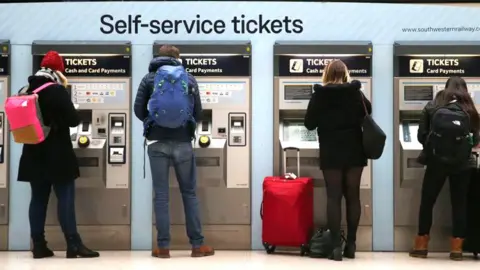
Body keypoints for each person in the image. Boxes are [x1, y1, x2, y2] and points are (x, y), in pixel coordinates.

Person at [134, 45, 214, 258]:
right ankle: (197, 246)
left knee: (161, 196)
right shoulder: (188, 78)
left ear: (158, 58)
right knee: (189, 193)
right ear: (178, 58)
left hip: (156, 143)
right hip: (183, 143)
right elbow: (198, 112)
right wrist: (182, 126)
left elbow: (138, 109)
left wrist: (154, 123)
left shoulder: (148, 79)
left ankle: (163, 247)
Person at [17, 51, 99, 259]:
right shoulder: (56, 90)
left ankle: (38, 245)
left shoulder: (26, 89)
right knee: (65, 198)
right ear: (57, 70)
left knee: (37, 200)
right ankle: (73, 244)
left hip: (33, 152)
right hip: (57, 153)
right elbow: (73, 120)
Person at [304, 60, 372, 261]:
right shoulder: (356, 93)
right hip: (354, 149)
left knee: (333, 197)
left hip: (331, 150)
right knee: (353, 197)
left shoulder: (320, 95)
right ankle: (351, 245)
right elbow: (368, 112)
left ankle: (335, 247)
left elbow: (309, 124)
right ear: (345, 73)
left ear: (326, 74)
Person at [410, 76, 479, 261]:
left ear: (445, 88)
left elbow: (421, 135)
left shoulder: (433, 106)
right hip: (463, 163)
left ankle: (421, 244)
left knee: (427, 202)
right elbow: (476, 139)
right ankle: (456, 248)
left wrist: (435, 148)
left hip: (436, 162)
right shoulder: (470, 109)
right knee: (459, 204)